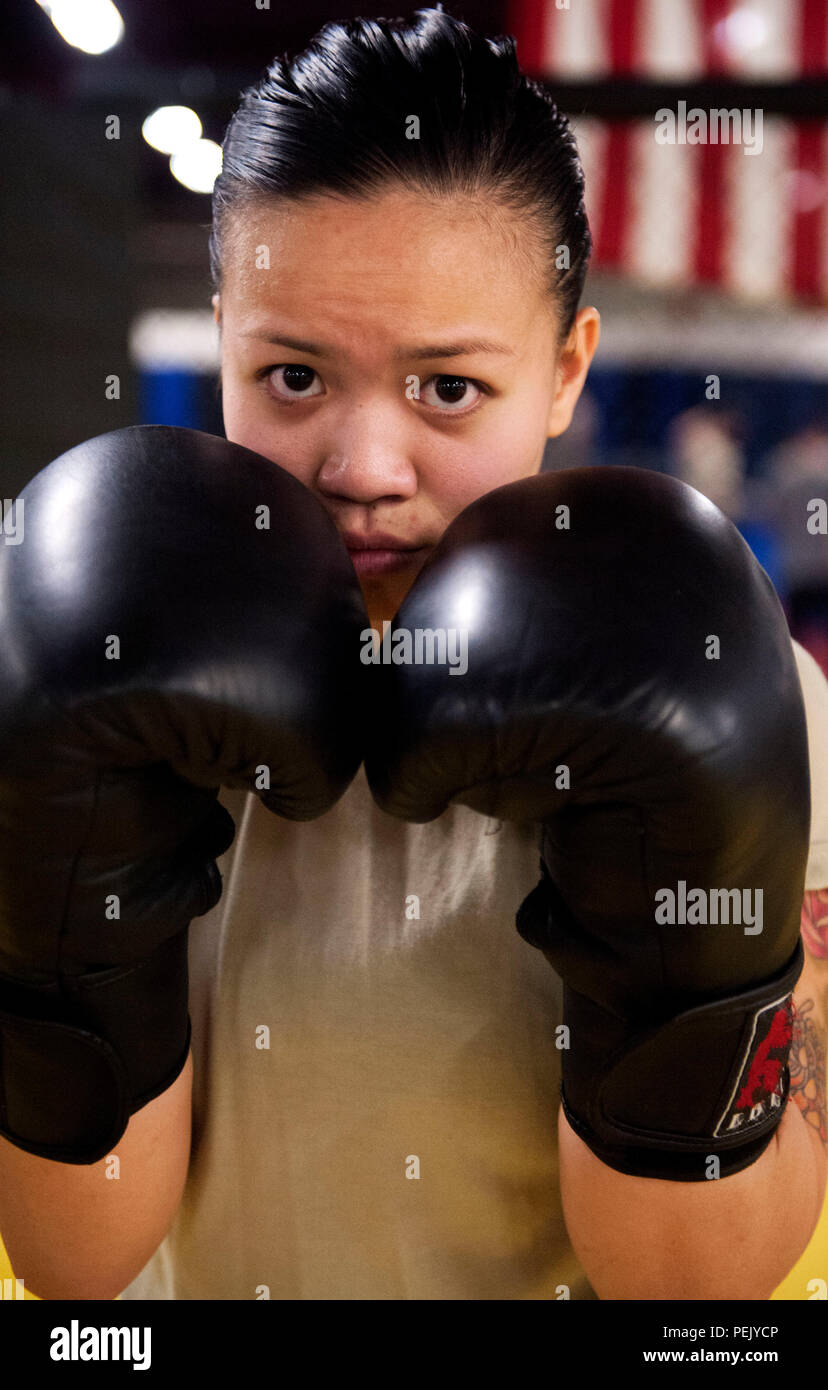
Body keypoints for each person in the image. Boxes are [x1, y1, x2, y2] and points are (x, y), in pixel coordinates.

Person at [1, 6, 827, 1303]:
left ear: (564, 371)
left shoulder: (749, 685)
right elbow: (76, 1261)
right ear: (221, 340)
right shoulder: (101, 666)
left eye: (447, 388)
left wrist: (685, 962)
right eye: (290, 376)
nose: (363, 469)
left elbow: (688, 1287)